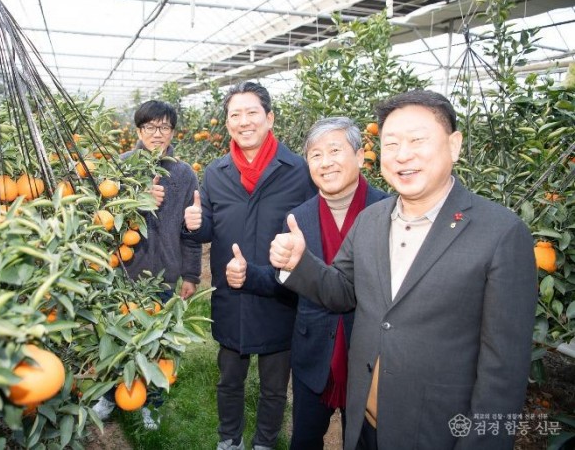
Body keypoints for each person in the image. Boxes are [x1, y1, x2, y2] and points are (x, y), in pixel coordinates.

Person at [270, 90, 538, 450]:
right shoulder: (371, 220)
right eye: (391, 143)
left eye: (417, 140)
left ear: (454, 145)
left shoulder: (501, 233)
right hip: (364, 426)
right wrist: (299, 264)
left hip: (437, 433)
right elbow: (342, 291)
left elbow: (503, 373)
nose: (403, 154)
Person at [225, 117, 388, 449]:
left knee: (368, 441)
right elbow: (282, 279)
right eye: (315, 154)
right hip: (314, 353)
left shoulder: (388, 211)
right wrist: (248, 274)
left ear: (360, 157)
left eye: (334, 150)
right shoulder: (297, 217)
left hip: (372, 357)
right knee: (305, 439)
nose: (325, 162)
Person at [182, 81, 316, 450]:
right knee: (229, 380)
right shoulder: (216, 173)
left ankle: (264, 442)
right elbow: (208, 228)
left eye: (252, 112)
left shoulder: (299, 172)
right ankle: (230, 440)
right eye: (235, 115)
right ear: (227, 124)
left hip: (279, 295)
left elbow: (313, 233)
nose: (244, 121)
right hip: (233, 294)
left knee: (275, 386)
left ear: (269, 118)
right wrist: (194, 224)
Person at [93, 99, 202, 429]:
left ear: (173, 131)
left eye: (165, 127)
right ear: (138, 130)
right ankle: (110, 396)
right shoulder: (120, 168)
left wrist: (192, 273)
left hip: (165, 276)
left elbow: (190, 230)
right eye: (151, 127)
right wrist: (137, 200)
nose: (158, 134)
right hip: (123, 273)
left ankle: (151, 402)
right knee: (115, 339)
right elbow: (102, 220)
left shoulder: (184, 175)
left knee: (159, 346)